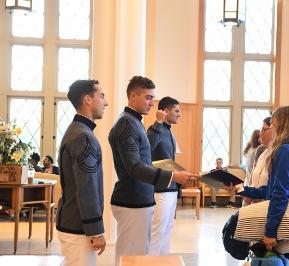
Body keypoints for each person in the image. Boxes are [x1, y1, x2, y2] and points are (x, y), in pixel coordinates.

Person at [108, 76, 198, 265]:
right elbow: (134, 167)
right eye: (148, 97)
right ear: (133, 96)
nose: (152, 103)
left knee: (139, 253)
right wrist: (173, 176)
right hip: (132, 199)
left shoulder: (134, 122)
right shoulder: (127, 123)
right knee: (131, 256)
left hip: (140, 197)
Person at [233, 106, 289, 266]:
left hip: (283, 221)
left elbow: (280, 194)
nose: (271, 128)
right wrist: (245, 190)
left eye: (273, 124)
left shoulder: (285, 151)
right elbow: (272, 189)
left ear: (281, 126)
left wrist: (270, 231)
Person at [56, 79, 108, 266]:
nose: (106, 102)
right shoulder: (83, 136)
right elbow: (86, 187)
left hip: (74, 222)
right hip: (78, 226)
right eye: (101, 96)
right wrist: (95, 230)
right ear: (87, 99)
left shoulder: (79, 131)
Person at [147, 96, 181, 256]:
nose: (179, 114)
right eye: (176, 111)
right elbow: (148, 149)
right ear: (165, 111)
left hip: (171, 188)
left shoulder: (170, 133)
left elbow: (168, 160)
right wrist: (158, 122)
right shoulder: (156, 129)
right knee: (157, 231)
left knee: (167, 230)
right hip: (160, 190)